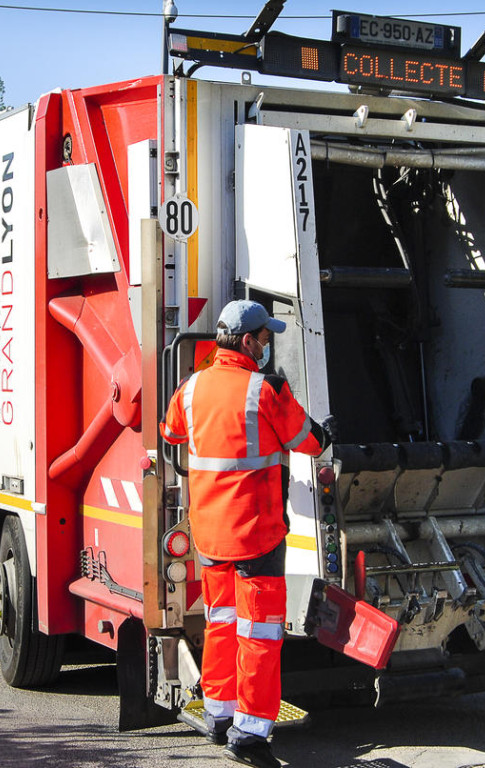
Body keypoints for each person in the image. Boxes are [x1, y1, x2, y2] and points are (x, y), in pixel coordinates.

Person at [161, 299, 336, 768]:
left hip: (210, 535)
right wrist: (325, 430)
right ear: (246, 341)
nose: (266, 345)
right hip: (256, 535)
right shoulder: (266, 392)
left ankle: (218, 716)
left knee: (221, 622)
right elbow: (311, 442)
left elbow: (171, 433)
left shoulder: (192, 388)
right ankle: (252, 734)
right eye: (263, 337)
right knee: (259, 633)